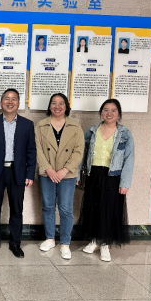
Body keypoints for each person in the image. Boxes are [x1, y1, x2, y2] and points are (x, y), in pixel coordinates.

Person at [0, 89, 36, 259]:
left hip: (17, 172)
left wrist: (30, 173)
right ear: (1, 103)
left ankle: (15, 242)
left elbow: (31, 151)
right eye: (7, 99)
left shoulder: (27, 124)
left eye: (14, 99)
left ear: (18, 104)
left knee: (16, 209)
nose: (10, 102)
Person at [79, 99, 134, 262]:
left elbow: (129, 159)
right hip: (94, 174)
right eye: (105, 110)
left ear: (119, 113)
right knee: (93, 207)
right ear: (101, 112)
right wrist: (77, 175)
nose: (109, 113)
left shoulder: (125, 134)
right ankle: (94, 240)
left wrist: (125, 183)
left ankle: (105, 244)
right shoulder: (92, 131)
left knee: (109, 209)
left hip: (113, 176)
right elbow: (82, 154)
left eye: (113, 110)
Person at [36, 93, 85, 260]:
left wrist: (64, 170)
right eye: (54, 103)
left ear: (66, 106)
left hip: (67, 174)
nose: (57, 106)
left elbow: (79, 151)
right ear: (49, 106)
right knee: (48, 206)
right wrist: (49, 169)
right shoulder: (41, 125)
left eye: (61, 103)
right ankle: (50, 238)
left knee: (65, 209)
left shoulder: (75, 126)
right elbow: (37, 149)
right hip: (47, 173)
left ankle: (65, 243)